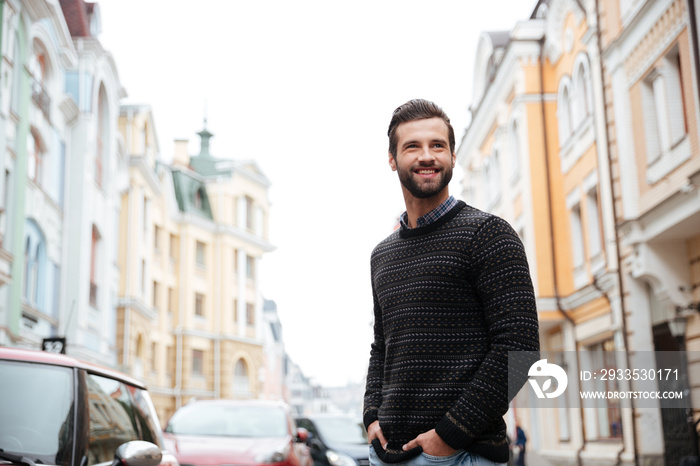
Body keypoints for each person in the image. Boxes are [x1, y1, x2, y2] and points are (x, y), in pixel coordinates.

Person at [363, 99, 540, 466]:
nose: (426, 156)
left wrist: (449, 434)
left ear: (453, 157)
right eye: (412, 146)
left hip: (461, 455)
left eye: (437, 145)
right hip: (389, 454)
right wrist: (371, 414)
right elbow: (382, 345)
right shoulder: (382, 254)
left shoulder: (489, 234)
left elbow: (520, 349)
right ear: (392, 159)